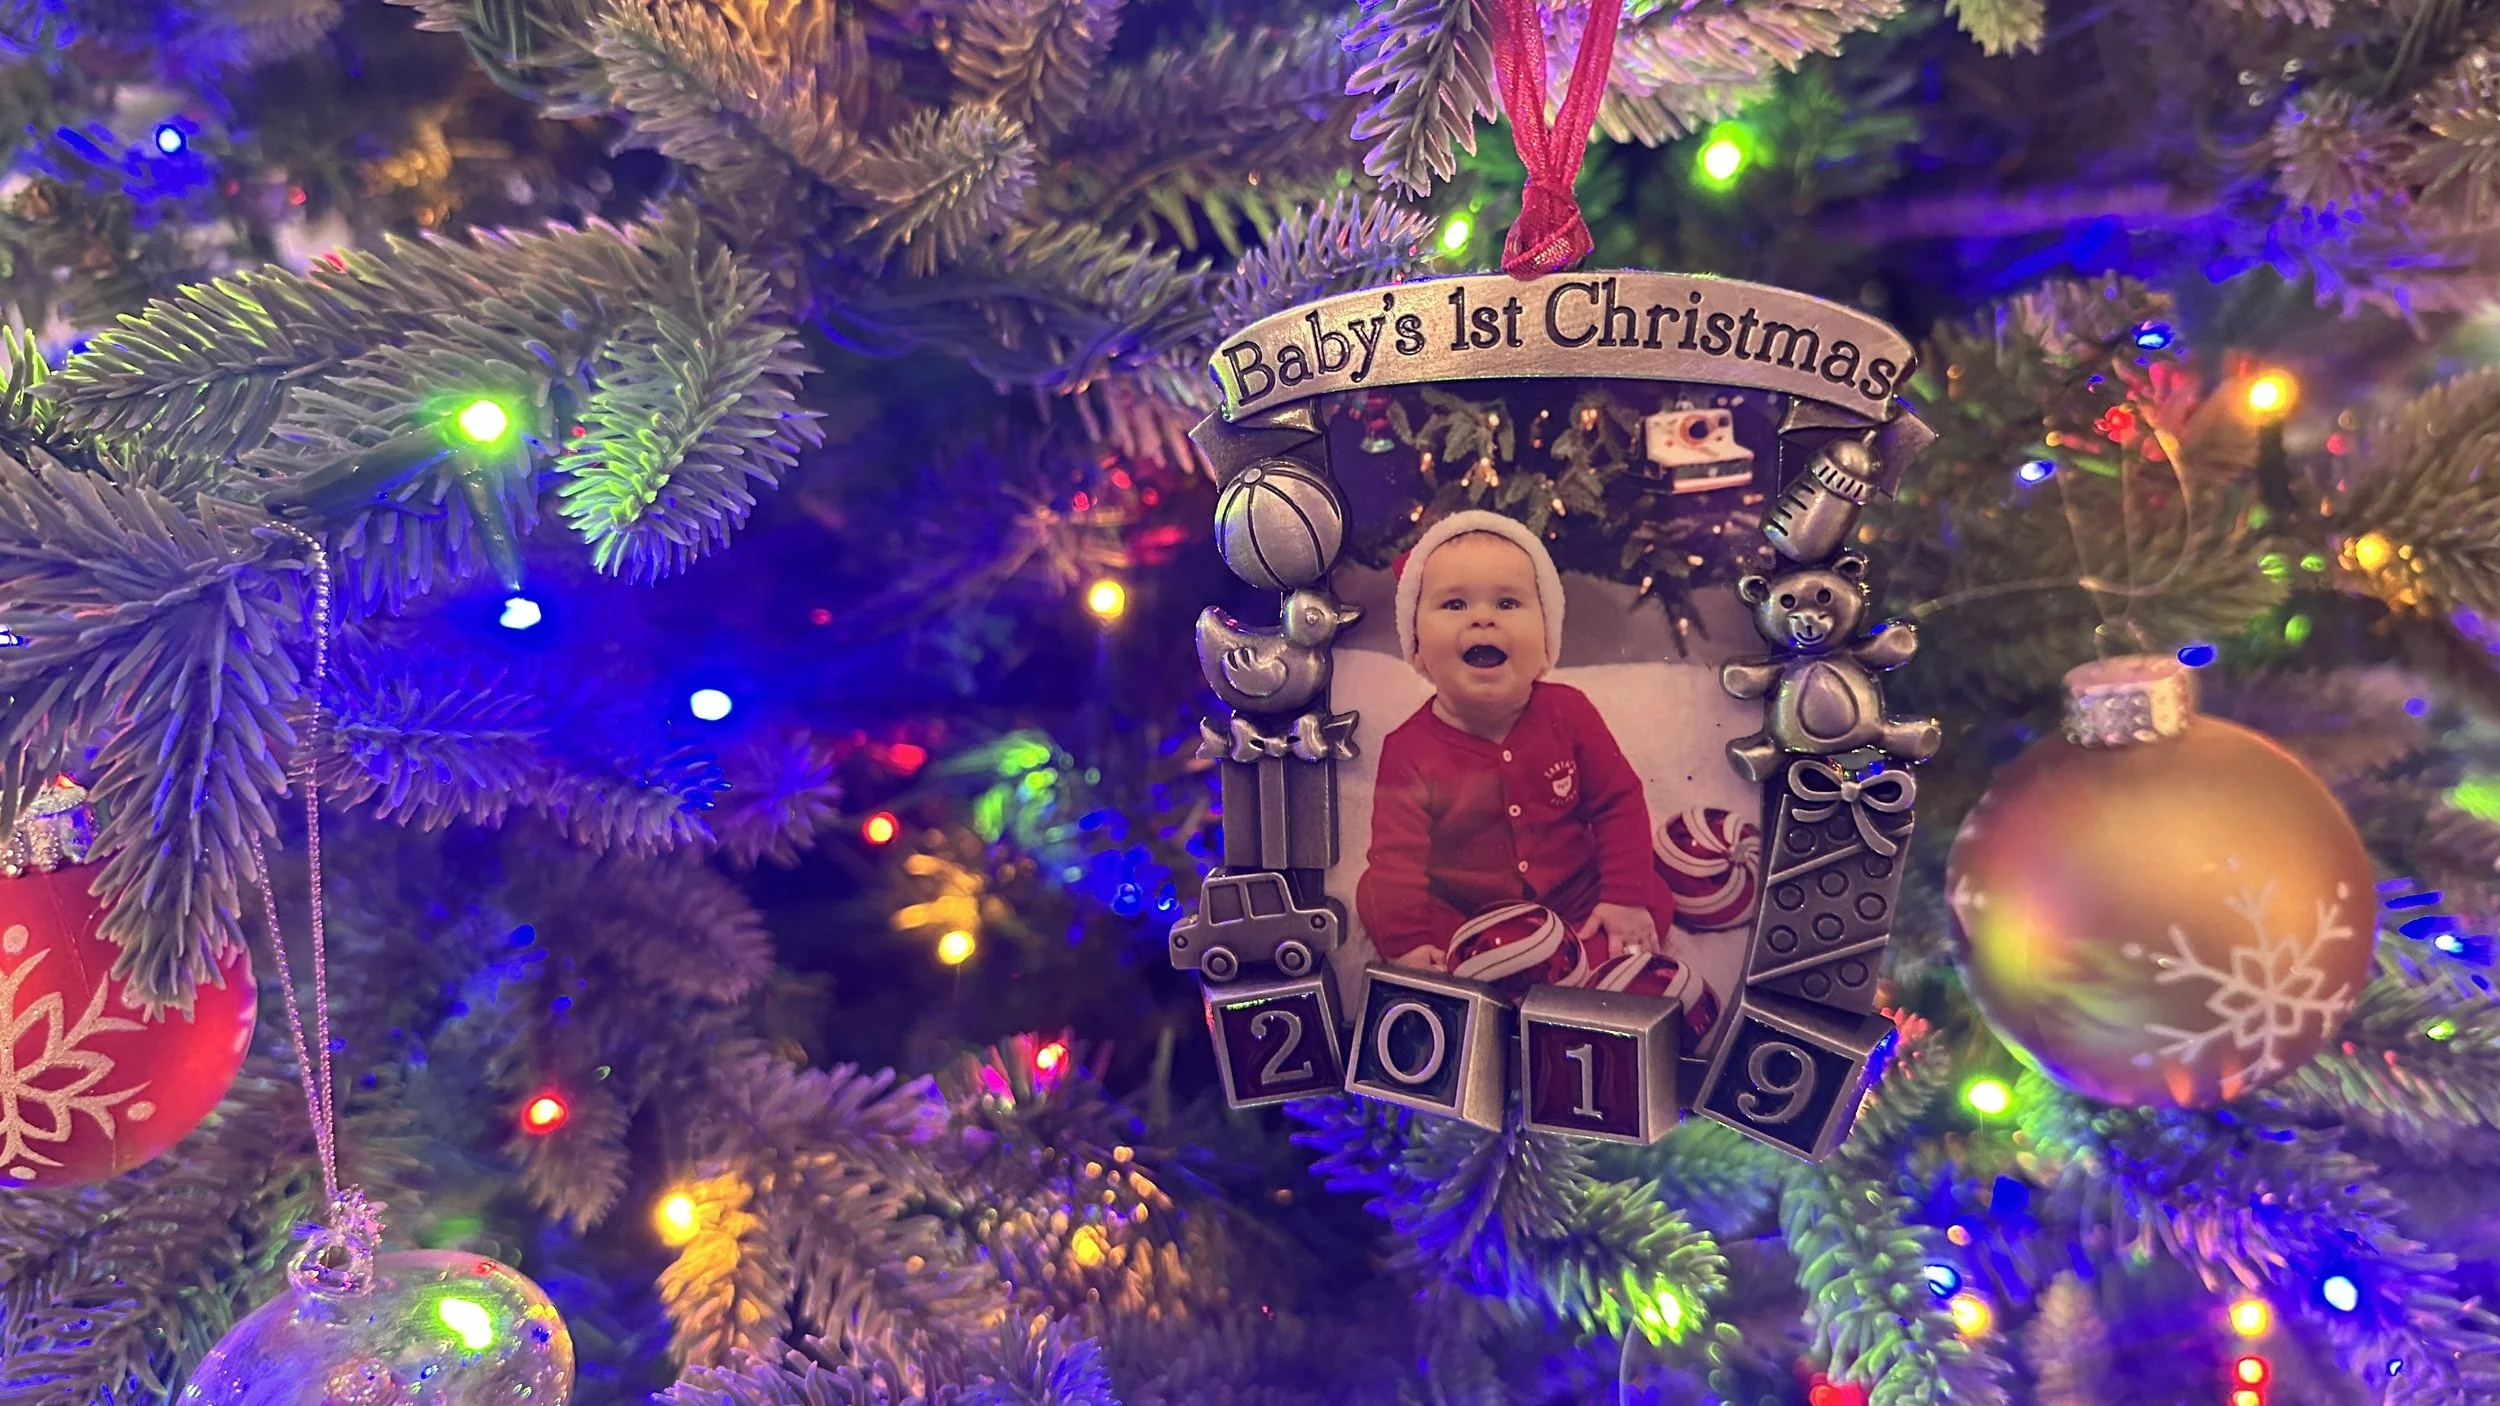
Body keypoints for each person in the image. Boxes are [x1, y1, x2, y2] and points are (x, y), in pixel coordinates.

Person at [1356, 510, 1678, 980]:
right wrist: (1409, 945)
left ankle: (1569, 958)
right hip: (1470, 909)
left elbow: (1618, 803)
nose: (1483, 620)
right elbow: (1398, 861)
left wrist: (1623, 899)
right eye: (1454, 605)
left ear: (1547, 641)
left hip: (1574, 891)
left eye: (1508, 604)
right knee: (1377, 893)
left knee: (1651, 895)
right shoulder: (1408, 750)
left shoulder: (1570, 712)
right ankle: (1504, 966)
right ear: (1418, 648)